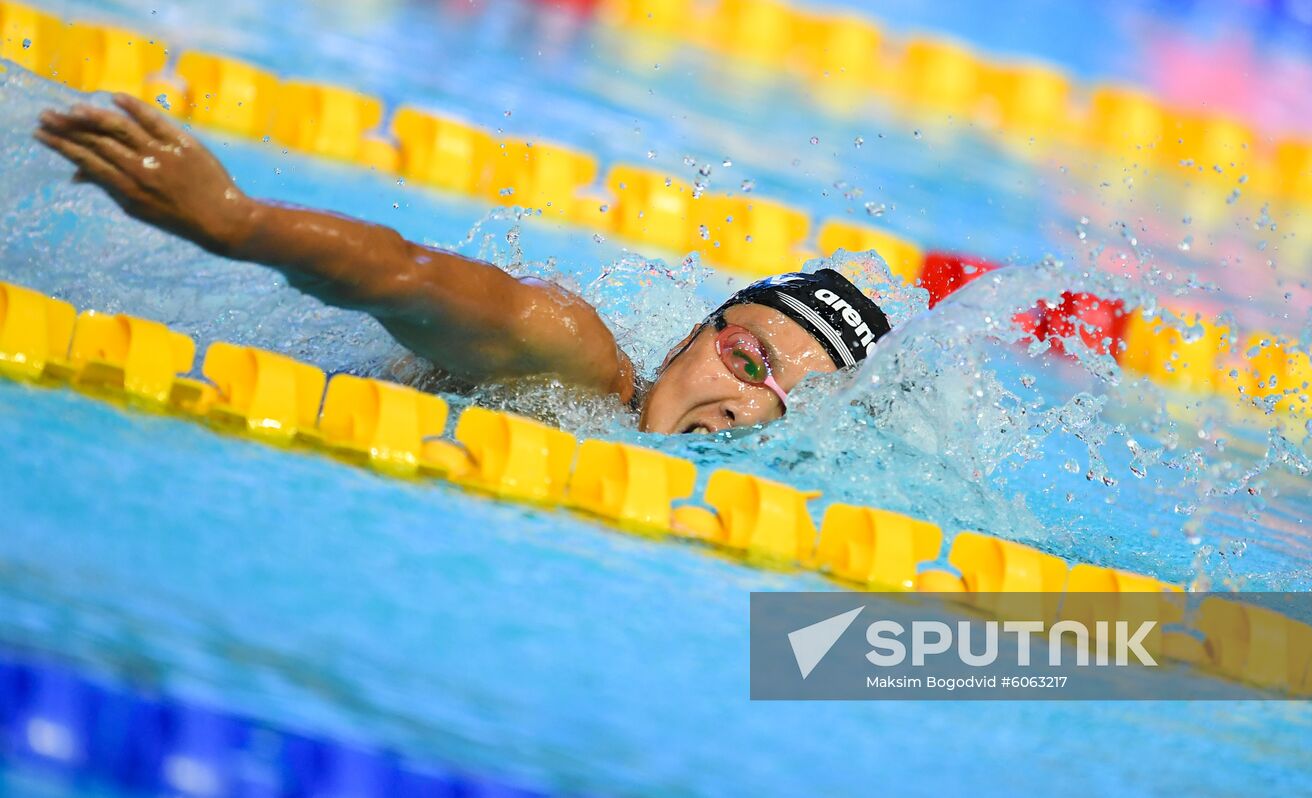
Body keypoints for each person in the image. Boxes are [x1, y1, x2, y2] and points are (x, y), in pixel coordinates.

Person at [34, 95, 892, 434]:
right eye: (750, 362)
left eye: (791, 405)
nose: (748, 405)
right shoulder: (571, 359)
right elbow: (409, 276)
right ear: (690, 342)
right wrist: (238, 222)